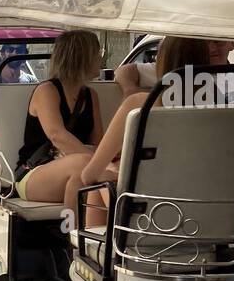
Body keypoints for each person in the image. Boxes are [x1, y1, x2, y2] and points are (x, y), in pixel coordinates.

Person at [67, 35, 214, 230]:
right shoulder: (223, 109)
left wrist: (112, 169)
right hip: (203, 219)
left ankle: (101, 254)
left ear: (161, 63)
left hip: (147, 221)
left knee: (101, 182)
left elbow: (88, 176)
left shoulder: (138, 105)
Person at [14, 29, 103, 205]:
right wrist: (100, 163)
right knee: (84, 165)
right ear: (82, 57)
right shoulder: (47, 90)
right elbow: (57, 136)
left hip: (78, 168)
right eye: (97, 54)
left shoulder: (91, 95)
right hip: (35, 171)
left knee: (81, 176)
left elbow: (99, 141)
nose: (101, 59)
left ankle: (73, 230)